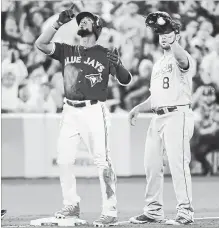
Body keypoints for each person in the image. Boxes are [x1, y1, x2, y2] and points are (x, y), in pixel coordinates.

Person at [35, 4, 132, 227]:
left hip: (94, 110)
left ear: (96, 27)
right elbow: (40, 44)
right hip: (69, 110)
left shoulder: (105, 54)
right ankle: (71, 204)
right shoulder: (67, 50)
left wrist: (119, 64)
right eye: (81, 20)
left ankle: (110, 210)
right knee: (64, 159)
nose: (83, 22)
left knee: (102, 160)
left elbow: (125, 80)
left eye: (87, 20)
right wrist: (57, 23)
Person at [128, 12, 195, 225]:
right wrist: (139, 107)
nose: (163, 37)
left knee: (178, 165)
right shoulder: (157, 64)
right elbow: (156, 96)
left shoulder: (181, 55)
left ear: (176, 34)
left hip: (178, 115)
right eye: (160, 33)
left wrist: (172, 37)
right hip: (157, 117)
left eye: (167, 33)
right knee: (152, 164)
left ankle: (185, 212)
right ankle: (153, 210)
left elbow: (182, 59)